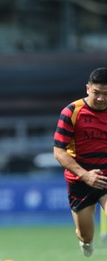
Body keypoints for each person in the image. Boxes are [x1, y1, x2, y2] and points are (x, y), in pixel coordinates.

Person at [53, 67, 107, 257]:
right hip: (79, 181)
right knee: (85, 235)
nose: (101, 98)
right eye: (96, 93)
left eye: (106, 94)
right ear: (87, 89)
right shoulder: (71, 112)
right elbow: (59, 151)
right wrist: (85, 175)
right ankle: (86, 242)